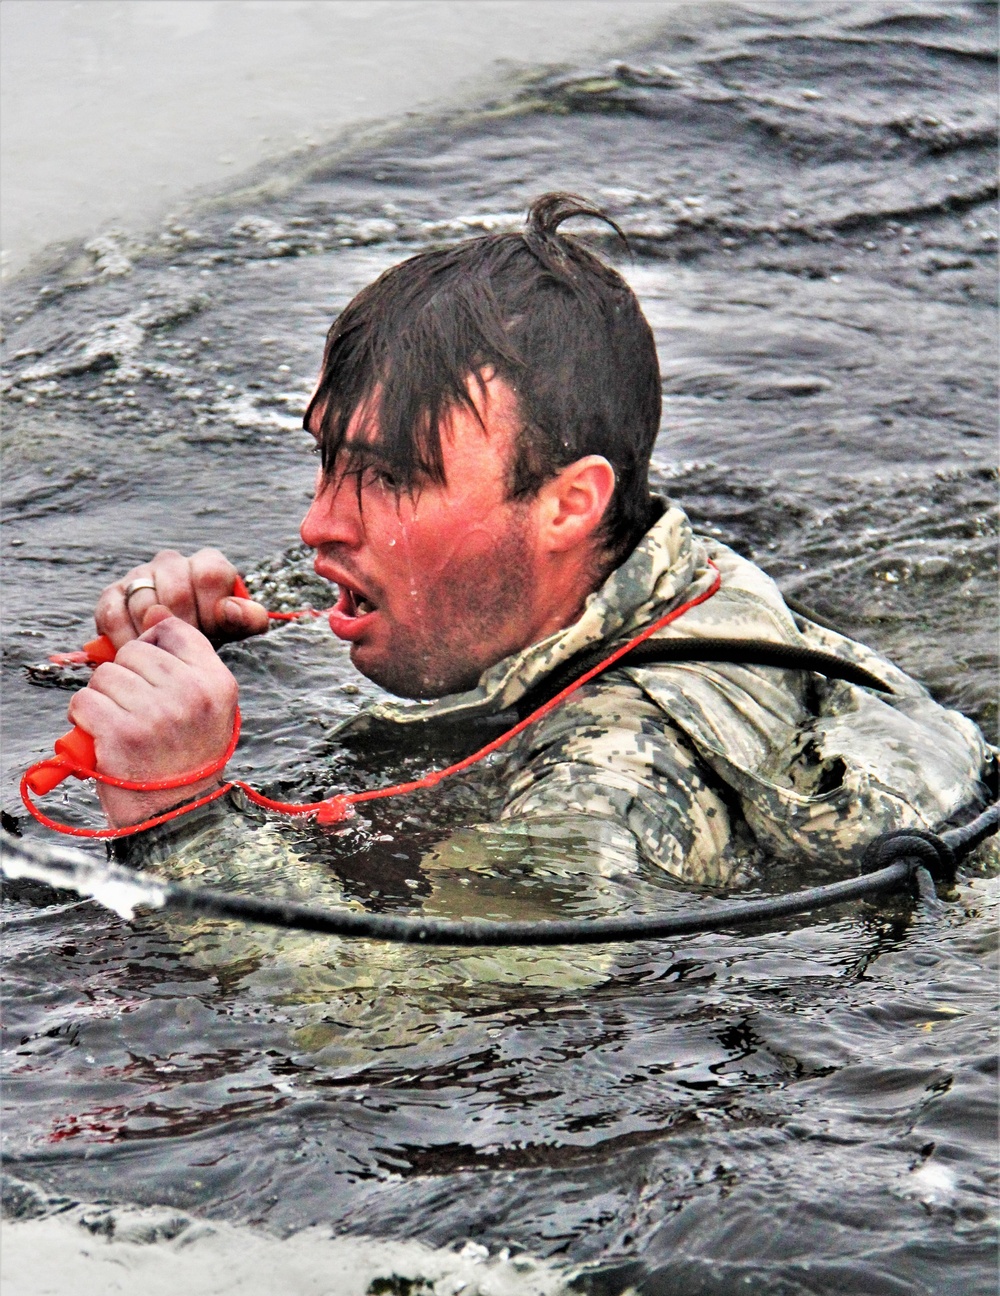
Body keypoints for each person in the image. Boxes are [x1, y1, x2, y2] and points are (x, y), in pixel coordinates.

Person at [67, 193, 994, 890]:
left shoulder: (612, 783)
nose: (318, 524)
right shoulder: (655, 572)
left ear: (568, 505)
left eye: (390, 478)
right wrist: (211, 648)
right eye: (327, 462)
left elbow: (395, 1022)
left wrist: (176, 817)